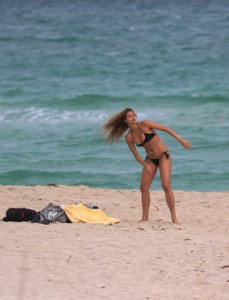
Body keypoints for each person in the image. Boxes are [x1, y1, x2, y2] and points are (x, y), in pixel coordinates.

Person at [102, 107, 191, 224]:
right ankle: (145, 218)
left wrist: (181, 139)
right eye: (129, 116)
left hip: (163, 156)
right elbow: (136, 154)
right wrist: (144, 164)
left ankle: (174, 218)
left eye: (134, 115)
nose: (133, 117)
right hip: (150, 159)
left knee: (165, 185)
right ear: (125, 121)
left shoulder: (145, 124)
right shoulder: (129, 137)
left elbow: (165, 128)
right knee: (143, 188)